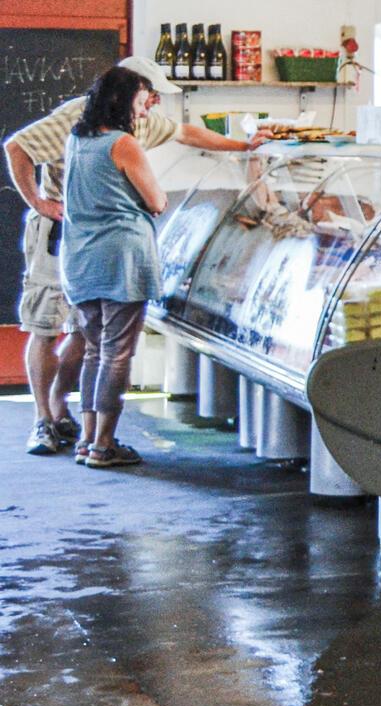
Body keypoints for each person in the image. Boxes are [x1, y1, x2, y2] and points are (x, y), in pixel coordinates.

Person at [5, 55, 260, 455]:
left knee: (88, 340)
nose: (155, 103)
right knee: (54, 329)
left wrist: (245, 146)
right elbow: (17, 147)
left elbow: (187, 133)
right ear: (128, 91)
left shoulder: (130, 124)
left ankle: (68, 417)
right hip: (64, 234)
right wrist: (38, 201)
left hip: (82, 247)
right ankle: (55, 424)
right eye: (150, 94)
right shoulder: (83, 123)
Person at [59, 66, 170, 469]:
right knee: (117, 354)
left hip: (81, 257)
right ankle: (104, 445)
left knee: (94, 351)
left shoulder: (77, 139)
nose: (144, 112)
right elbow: (156, 201)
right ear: (123, 102)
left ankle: (87, 440)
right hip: (121, 258)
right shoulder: (123, 144)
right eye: (141, 103)